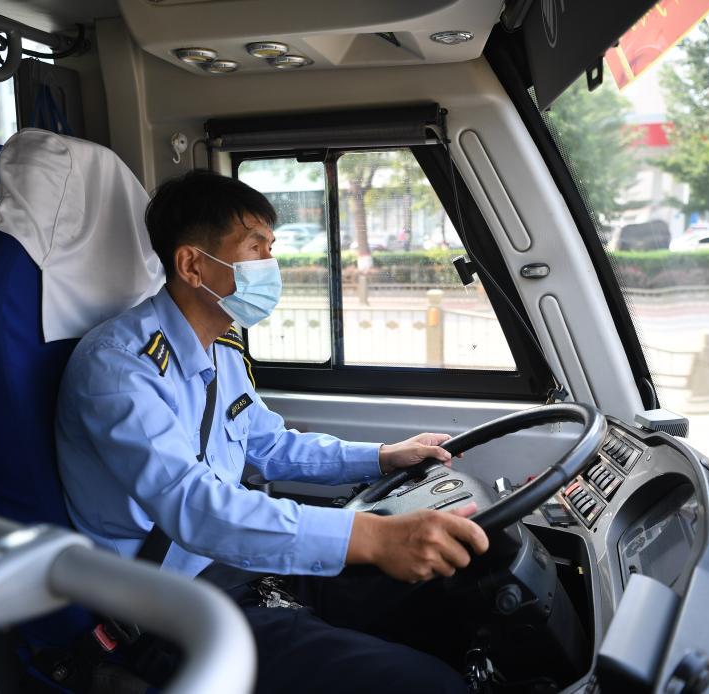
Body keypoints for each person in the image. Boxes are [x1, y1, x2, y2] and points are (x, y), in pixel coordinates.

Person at [55, 170, 489, 693]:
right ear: (193, 265)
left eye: (271, 248)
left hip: (245, 563)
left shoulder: (221, 347)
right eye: (255, 247)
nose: (271, 264)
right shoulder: (119, 367)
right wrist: (374, 537)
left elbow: (270, 445)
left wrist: (381, 456)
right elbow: (195, 508)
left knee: (456, 598)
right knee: (428, 685)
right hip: (175, 603)